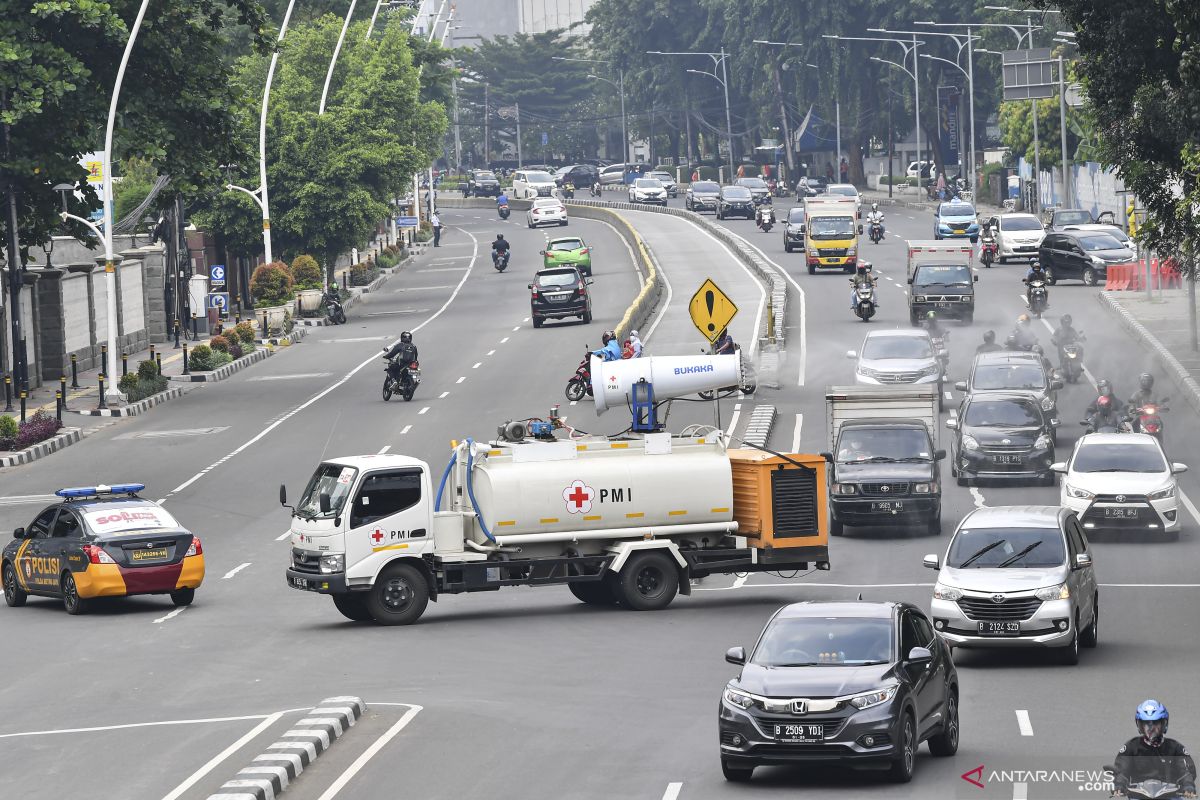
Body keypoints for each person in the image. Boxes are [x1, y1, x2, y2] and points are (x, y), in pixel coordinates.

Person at [1112, 700, 1197, 798]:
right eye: (1146, 724)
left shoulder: (1175, 748)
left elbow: (1186, 771)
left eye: (1155, 723)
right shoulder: (1131, 747)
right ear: (1140, 725)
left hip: (1170, 796)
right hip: (1139, 796)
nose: (1151, 728)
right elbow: (1122, 770)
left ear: (1163, 724)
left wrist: (1188, 785)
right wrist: (1119, 784)